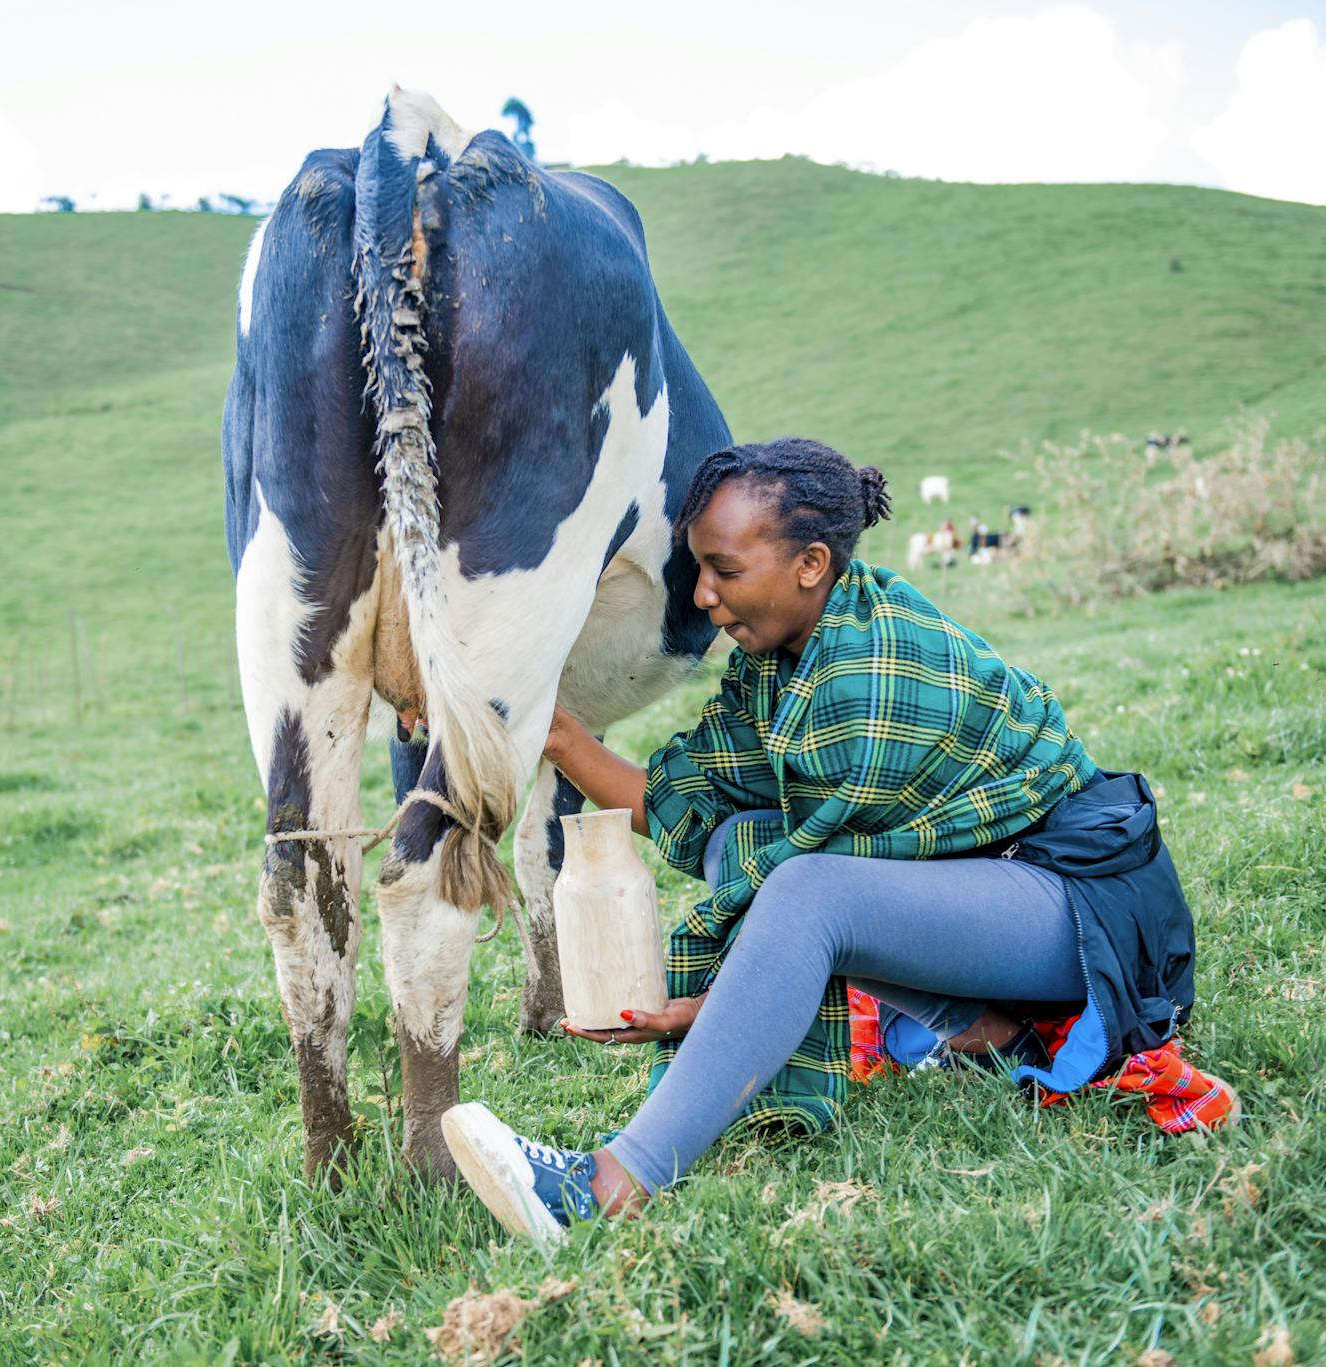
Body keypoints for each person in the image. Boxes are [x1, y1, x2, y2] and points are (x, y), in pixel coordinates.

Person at [440, 437, 1233, 1244]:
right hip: (1001, 888)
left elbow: (804, 904)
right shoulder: (787, 657)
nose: (705, 596)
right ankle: (991, 1030)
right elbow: (692, 799)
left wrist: (699, 1014)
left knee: (806, 889)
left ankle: (610, 1183)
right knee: (742, 835)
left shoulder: (859, 676)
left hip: (1085, 912)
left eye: (725, 570)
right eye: (698, 571)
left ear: (810, 563)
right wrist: (557, 734)